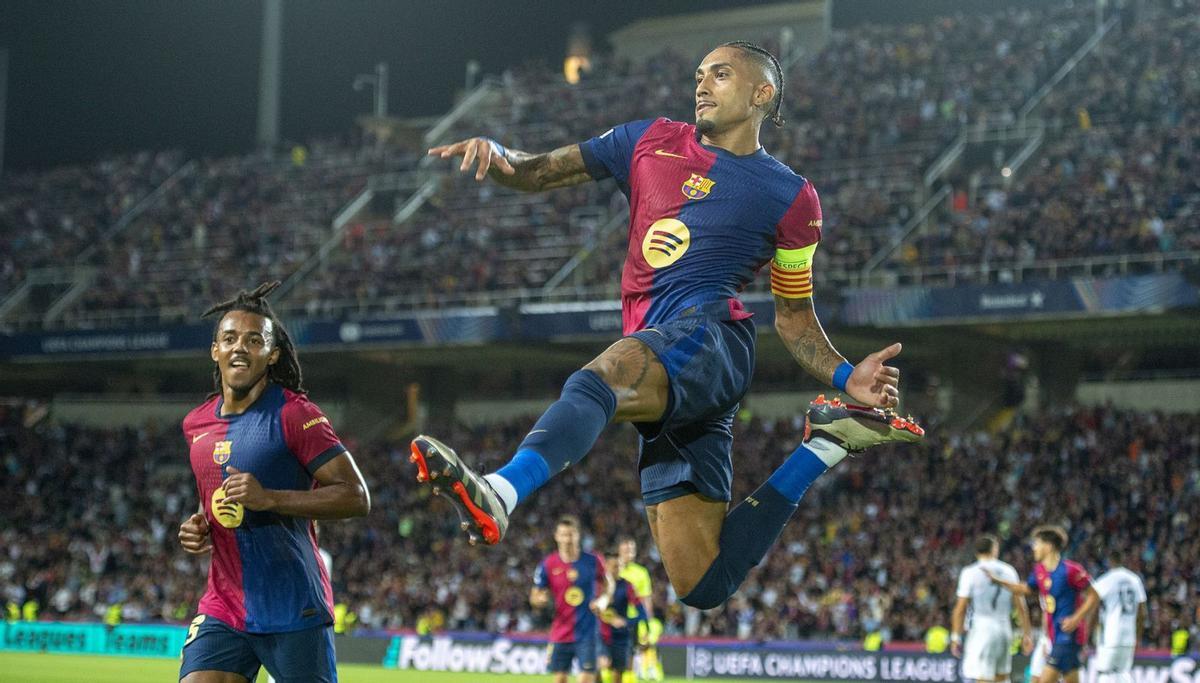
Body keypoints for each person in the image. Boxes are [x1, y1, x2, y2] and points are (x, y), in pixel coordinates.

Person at [411, 40, 923, 610]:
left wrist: (847, 371)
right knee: (701, 581)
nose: (702, 84)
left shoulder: (791, 196)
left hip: (709, 338)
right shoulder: (648, 140)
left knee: (598, 379)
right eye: (699, 74)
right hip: (667, 362)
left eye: (721, 74)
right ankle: (825, 446)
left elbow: (795, 316)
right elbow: (536, 173)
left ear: (762, 93)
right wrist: (496, 150)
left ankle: (501, 491)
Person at [177, 282, 371, 683]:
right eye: (229, 338)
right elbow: (211, 494)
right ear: (215, 350)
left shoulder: (296, 414)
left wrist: (269, 499)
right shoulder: (196, 423)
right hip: (224, 605)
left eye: (254, 340)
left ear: (273, 354)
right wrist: (199, 524)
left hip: (293, 607)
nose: (240, 348)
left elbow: (356, 496)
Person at [988, 526, 1100, 683]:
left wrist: (1076, 618)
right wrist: (998, 580)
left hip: (1068, 636)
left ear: (1049, 546)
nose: (1033, 547)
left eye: (1037, 543)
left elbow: (1094, 595)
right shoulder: (1039, 571)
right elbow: (1025, 589)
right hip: (1054, 636)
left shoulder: (1071, 570)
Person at [531, 515, 613, 683]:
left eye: (571, 534)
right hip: (560, 633)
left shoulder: (593, 560)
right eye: (563, 534)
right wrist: (539, 600)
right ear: (556, 536)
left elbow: (609, 584)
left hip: (588, 633)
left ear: (578, 535)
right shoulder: (548, 564)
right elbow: (534, 595)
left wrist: (604, 600)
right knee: (560, 679)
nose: (567, 539)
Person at [951, 535, 1034, 683]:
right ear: (994, 550)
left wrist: (956, 637)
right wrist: (1026, 633)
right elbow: (1021, 607)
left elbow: (960, 608)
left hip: (982, 629)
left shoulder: (970, 572)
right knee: (1001, 678)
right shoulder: (1009, 570)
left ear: (976, 552)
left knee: (983, 678)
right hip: (1004, 629)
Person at [1090, 550, 1147, 683]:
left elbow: (1093, 607)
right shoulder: (1135, 579)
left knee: (1105, 673)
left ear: (1110, 561)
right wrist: (1137, 636)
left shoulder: (1106, 579)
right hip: (1129, 637)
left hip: (1110, 635)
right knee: (1123, 672)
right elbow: (1143, 613)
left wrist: (1088, 631)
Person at [616, 537, 658, 682]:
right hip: (612, 619)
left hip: (632, 621)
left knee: (631, 656)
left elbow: (646, 600)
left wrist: (648, 625)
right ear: (619, 551)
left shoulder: (641, 573)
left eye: (632, 550)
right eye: (626, 550)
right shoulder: (612, 569)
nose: (629, 553)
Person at [599, 553, 646, 683]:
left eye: (619, 566)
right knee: (601, 664)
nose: (617, 569)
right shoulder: (598, 585)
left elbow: (641, 613)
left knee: (617, 676)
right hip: (600, 635)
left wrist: (626, 622)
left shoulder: (627, 586)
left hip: (621, 638)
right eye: (614, 566)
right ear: (606, 566)